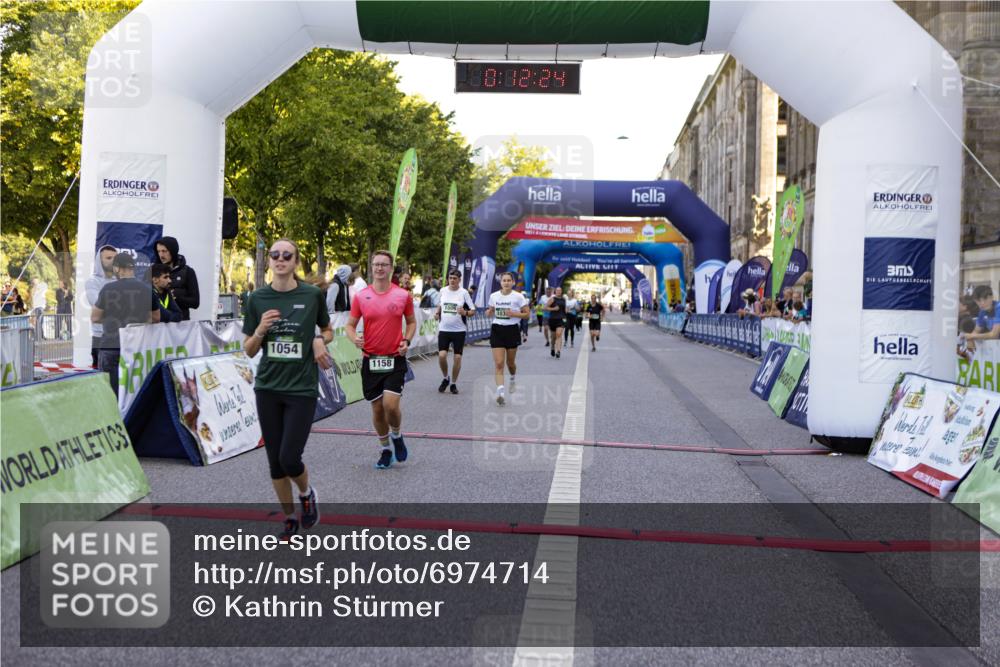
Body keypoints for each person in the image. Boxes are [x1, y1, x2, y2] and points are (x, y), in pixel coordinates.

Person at [242, 238, 333, 541]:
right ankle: (290, 517)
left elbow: (327, 329)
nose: (280, 259)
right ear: (269, 261)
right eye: (275, 255)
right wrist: (260, 330)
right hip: (268, 387)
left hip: (301, 388)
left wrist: (319, 340)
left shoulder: (311, 295)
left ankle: (306, 493)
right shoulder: (257, 298)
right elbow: (250, 350)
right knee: (275, 464)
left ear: (296, 262)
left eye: (287, 255)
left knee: (290, 458)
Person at [346, 250, 416, 469]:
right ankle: (385, 448)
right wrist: (354, 338)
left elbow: (412, 322)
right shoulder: (361, 296)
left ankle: (397, 435)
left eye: (384, 265)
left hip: (395, 358)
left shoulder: (403, 296)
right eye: (376, 264)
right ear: (371, 267)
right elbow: (349, 325)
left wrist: (407, 340)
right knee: (377, 409)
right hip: (371, 359)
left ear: (391, 268)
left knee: (391, 405)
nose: (379, 268)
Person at [91, 252, 160, 397]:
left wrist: (111, 318)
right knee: (134, 391)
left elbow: (95, 317)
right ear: (132, 268)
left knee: (110, 392)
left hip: (111, 345)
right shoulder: (147, 289)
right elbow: (156, 318)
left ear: (117, 268)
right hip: (137, 346)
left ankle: (112, 418)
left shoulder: (108, 289)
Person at [486, 272, 530, 406]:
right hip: (497, 329)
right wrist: (489, 312)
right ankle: (500, 393)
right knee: (499, 363)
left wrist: (514, 314)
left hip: (512, 330)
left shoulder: (518, 297)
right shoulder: (494, 296)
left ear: (513, 282)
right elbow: (491, 309)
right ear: (501, 282)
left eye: (508, 280)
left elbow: (527, 315)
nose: (506, 283)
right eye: (504, 280)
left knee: (510, 363)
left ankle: (512, 378)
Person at [435, 269, 476, 394]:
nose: (452, 280)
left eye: (455, 278)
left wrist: (465, 312)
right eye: (450, 278)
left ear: (459, 280)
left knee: (457, 358)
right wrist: (437, 313)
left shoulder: (464, 293)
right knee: (442, 356)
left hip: (459, 330)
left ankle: (453, 383)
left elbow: (473, 310)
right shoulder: (442, 291)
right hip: (444, 329)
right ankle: (445, 377)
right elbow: (440, 304)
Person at [154, 236, 200, 320]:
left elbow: (195, 302)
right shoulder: (152, 272)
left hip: (181, 326)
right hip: (158, 327)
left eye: (164, 251)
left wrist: (176, 298)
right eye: (158, 251)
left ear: (173, 251)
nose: (161, 255)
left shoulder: (188, 272)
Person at [545, 286, 567, 359]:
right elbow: (545, 308)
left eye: (560, 290)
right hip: (553, 319)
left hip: (561, 319)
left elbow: (564, 310)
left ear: (561, 291)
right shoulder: (552, 299)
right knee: (553, 337)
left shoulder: (564, 300)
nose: (558, 291)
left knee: (559, 334)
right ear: (555, 291)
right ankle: (552, 348)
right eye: (557, 290)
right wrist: (554, 309)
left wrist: (566, 316)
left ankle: (558, 351)